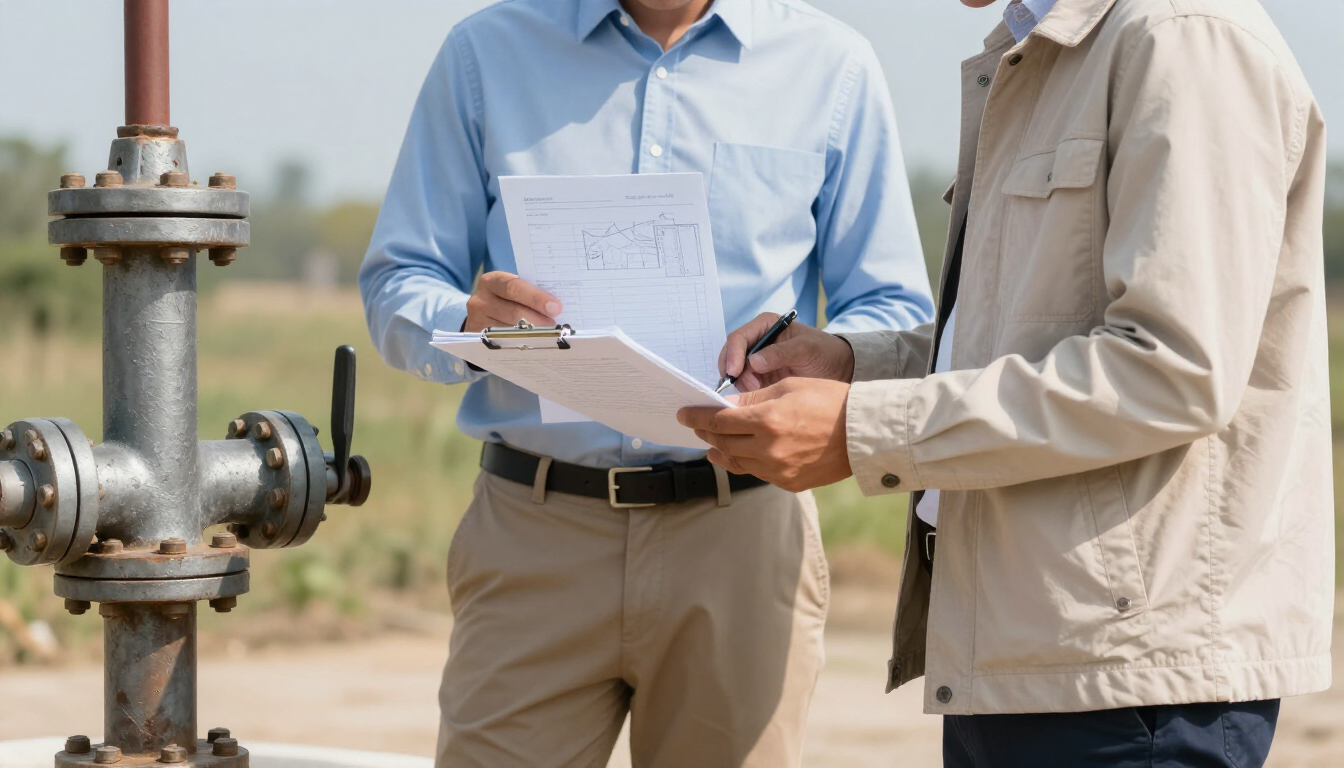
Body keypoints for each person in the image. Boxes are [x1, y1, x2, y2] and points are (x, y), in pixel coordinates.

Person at [680, 0, 1333, 765]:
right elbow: (1024, 330)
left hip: (1130, 689)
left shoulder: (1185, 38)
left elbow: (1171, 368)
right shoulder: (1047, 51)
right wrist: (856, 365)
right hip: (1032, 653)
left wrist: (864, 428)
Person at [359, 0, 934, 765]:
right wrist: (473, 325)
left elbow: (894, 308)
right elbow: (399, 277)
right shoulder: (484, 55)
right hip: (535, 534)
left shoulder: (833, 65)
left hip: (742, 534)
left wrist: (822, 353)